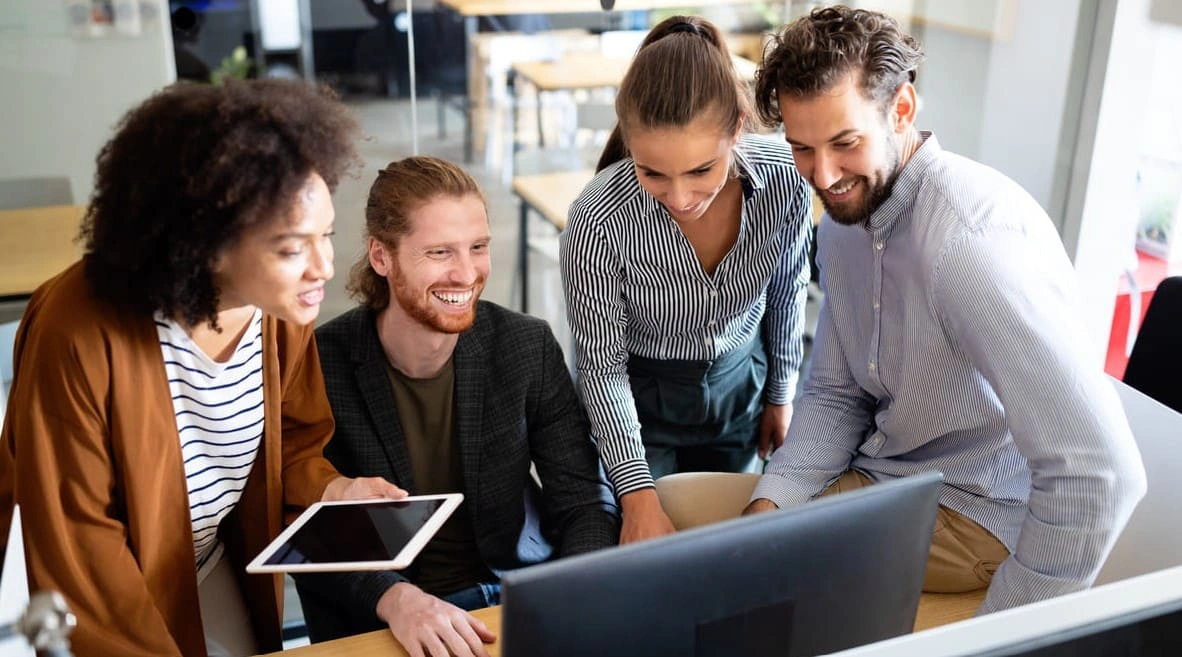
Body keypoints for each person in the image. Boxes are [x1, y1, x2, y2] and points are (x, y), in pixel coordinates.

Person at [743, 5, 1146, 613]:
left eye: (844, 143)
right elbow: (836, 391)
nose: (822, 175)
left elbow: (1101, 474)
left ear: (901, 109)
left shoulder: (971, 249)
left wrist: (998, 633)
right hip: (885, 480)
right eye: (801, 149)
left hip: (971, 512)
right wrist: (773, 502)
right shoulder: (843, 228)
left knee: (735, 586)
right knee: (728, 550)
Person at [0, 79, 407, 657]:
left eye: (328, 236)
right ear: (205, 244)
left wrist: (333, 489)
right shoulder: (77, 330)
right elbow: (79, 546)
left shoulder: (279, 313)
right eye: (292, 249)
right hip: (104, 600)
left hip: (209, 565)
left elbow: (291, 447)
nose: (323, 267)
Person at [293, 156, 619, 657]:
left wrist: (569, 595)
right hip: (390, 618)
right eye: (440, 251)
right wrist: (395, 599)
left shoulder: (524, 345)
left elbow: (584, 499)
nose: (466, 273)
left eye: (478, 247)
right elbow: (309, 527)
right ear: (382, 257)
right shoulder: (322, 362)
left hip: (513, 593)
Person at [559, 14, 814, 545]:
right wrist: (636, 495)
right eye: (652, 172)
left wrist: (781, 393)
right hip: (640, 403)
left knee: (735, 545)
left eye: (701, 170)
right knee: (651, 556)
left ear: (738, 130)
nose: (678, 199)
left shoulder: (785, 183)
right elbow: (602, 369)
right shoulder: (597, 220)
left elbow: (787, 291)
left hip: (742, 389)